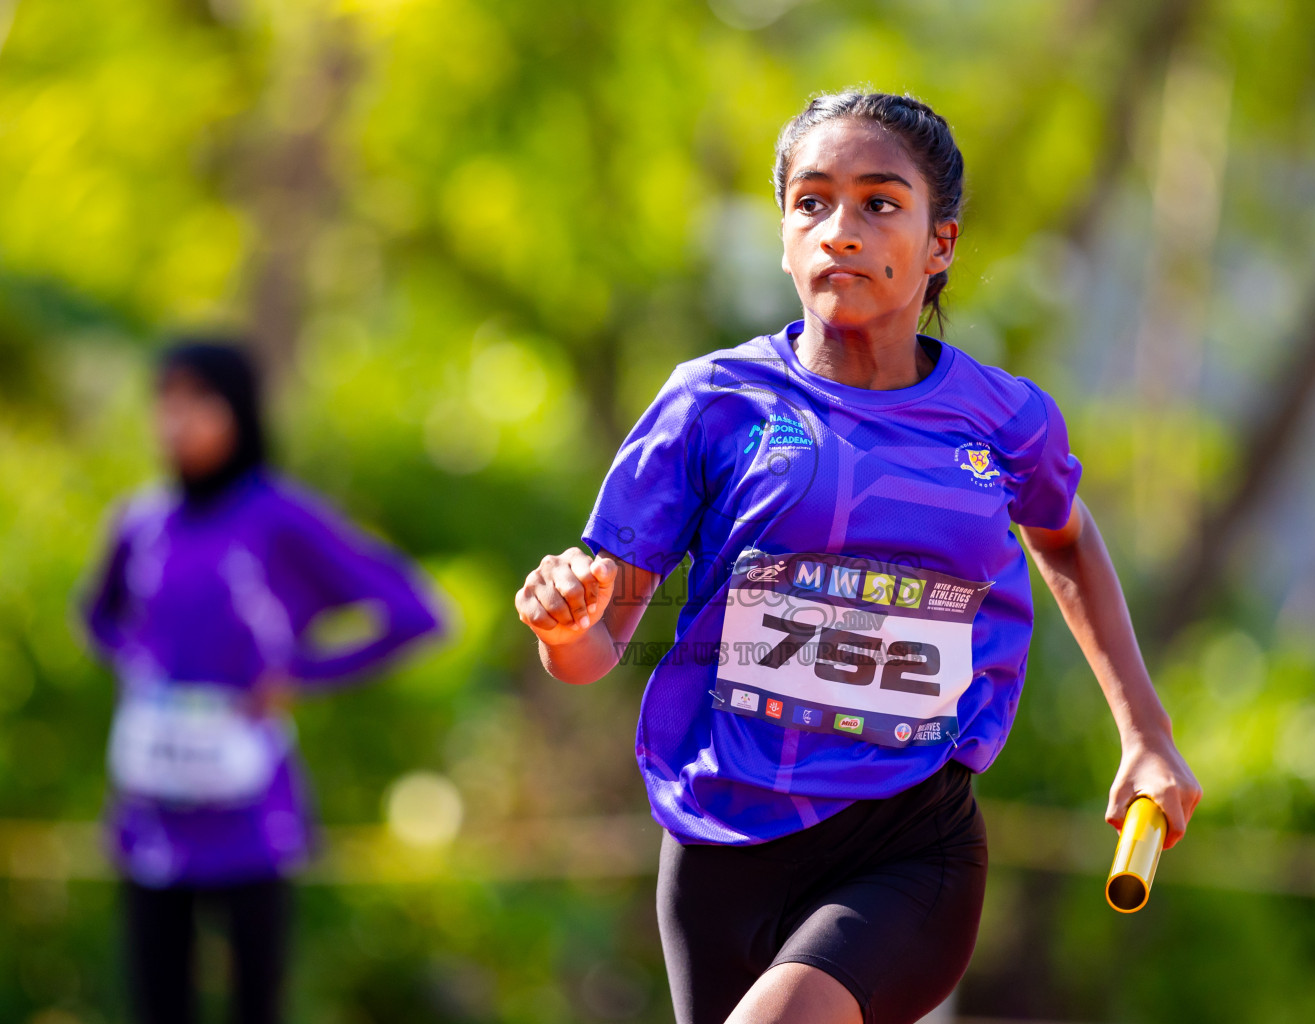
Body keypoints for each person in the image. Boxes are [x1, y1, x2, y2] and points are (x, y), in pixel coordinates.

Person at [515, 91, 1201, 1024]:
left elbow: (1067, 538)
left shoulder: (1005, 420)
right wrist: (564, 625)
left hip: (908, 842)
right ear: (786, 236)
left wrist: (1146, 734)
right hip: (720, 849)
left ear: (940, 245)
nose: (841, 230)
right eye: (812, 203)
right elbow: (594, 652)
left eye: (880, 203)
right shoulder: (713, 404)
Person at [79, 340, 443, 1024]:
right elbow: (97, 617)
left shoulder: (275, 517)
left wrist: (301, 674)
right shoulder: (142, 522)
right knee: (156, 999)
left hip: (249, 812)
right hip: (152, 806)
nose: (178, 421)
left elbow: (412, 612)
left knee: (258, 1001)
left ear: (239, 412)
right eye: (167, 401)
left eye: (199, 402)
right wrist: (146, 673)